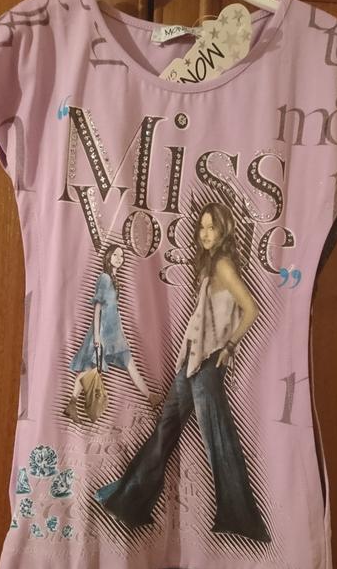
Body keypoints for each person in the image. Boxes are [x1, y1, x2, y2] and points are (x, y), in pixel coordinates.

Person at [94, 203, 271, 542]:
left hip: (208, 364)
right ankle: (130, 500)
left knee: (217, 437)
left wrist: (229, 346)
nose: (205, 234)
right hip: (192, 361)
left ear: (223, 230)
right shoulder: (209, 264)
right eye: (202, 227)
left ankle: (239, 518)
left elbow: (251, 308)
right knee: (167, 428)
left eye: (212, 228)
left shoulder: (223, 264)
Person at [64, 243, 163, 423]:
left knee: (129, 364)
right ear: (108, 257)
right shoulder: (104, 278)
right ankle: (72, 403)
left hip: (115, 333)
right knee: (91, 368)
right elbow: (97, 309)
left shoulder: (114, 279)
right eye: (115, 255)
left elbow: (115, 311)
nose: (119, 258)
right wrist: (96, 337)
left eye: (121, 256)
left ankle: (151, 397)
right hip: (102, 333)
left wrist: (122, 333)